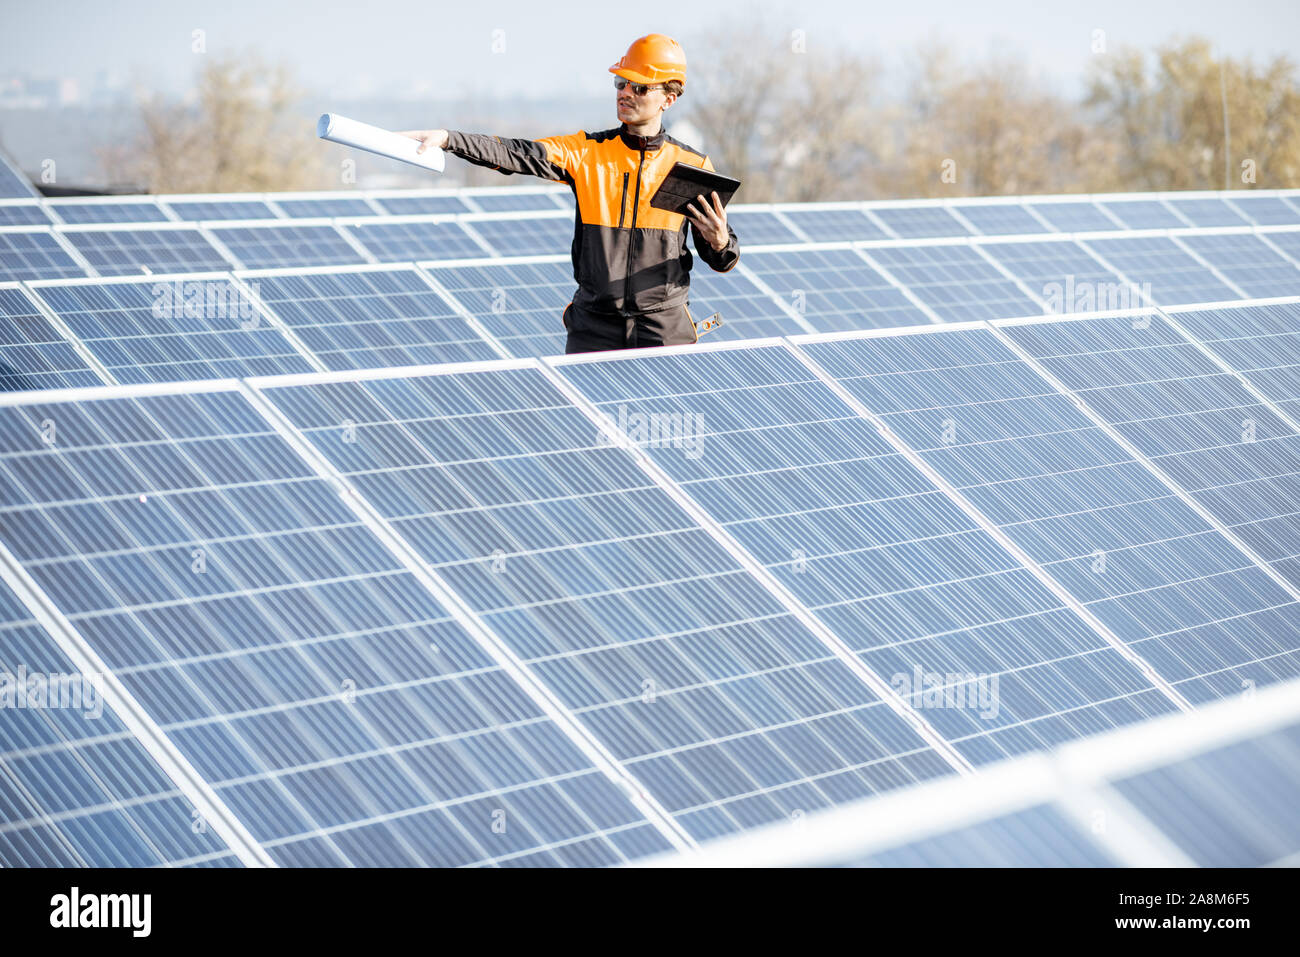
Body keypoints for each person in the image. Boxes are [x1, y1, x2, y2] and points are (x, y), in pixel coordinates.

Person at [399, 34, 740, 354]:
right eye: (621, 83)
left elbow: (723, 260)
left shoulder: (693, 164)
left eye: (639, 87)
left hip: (665, 330)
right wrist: (449, 139)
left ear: (669, 97)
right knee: (582, 418)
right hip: (594, 328)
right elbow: (516, 153)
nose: (625, 93)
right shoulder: (586, 152)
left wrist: (720, 242)